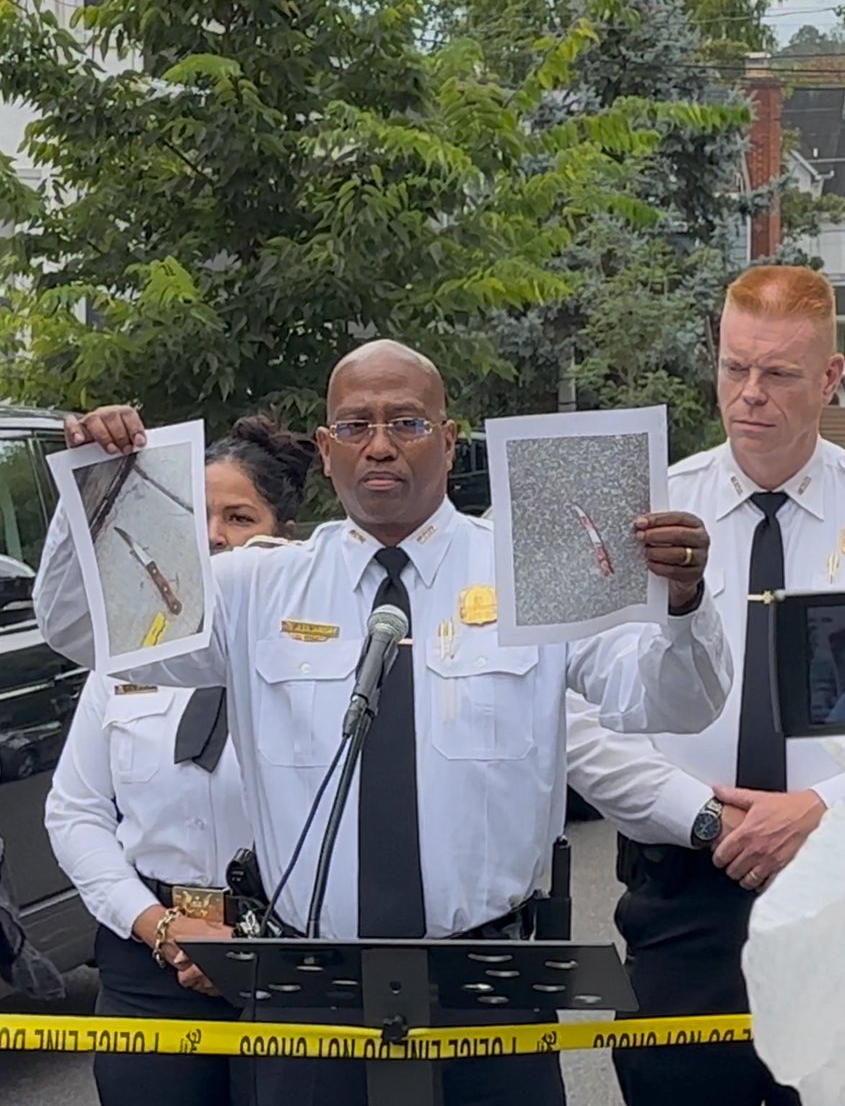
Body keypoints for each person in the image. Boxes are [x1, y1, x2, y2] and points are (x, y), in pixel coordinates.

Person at [35, 339, 731, 1106]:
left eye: (406, 423)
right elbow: (86, 635)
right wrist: (102, 489)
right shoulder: (257, 586)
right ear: (326, 450)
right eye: (356, 425)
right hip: (312, 989)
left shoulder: (529, 568)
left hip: (487, 986)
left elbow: (672, 703)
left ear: (448, 438)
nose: (380, 445)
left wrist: (684, 601)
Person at [566, 264, 845, 1106]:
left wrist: (825, 809)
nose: (750, 394)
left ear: (830, 377)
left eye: (779, 373)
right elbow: (577, 709)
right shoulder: (648, 516)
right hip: (683, 882)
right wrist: (701, 814)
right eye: (734, 367)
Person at [45, 415, 316, 1106]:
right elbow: (75, 810)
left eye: (238, 515)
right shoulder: (130, 655)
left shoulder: (319, 657)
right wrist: (160, 927)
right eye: (196, 516)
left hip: (293, 967)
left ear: (282, 535)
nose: (214, 536)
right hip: (150, 969)